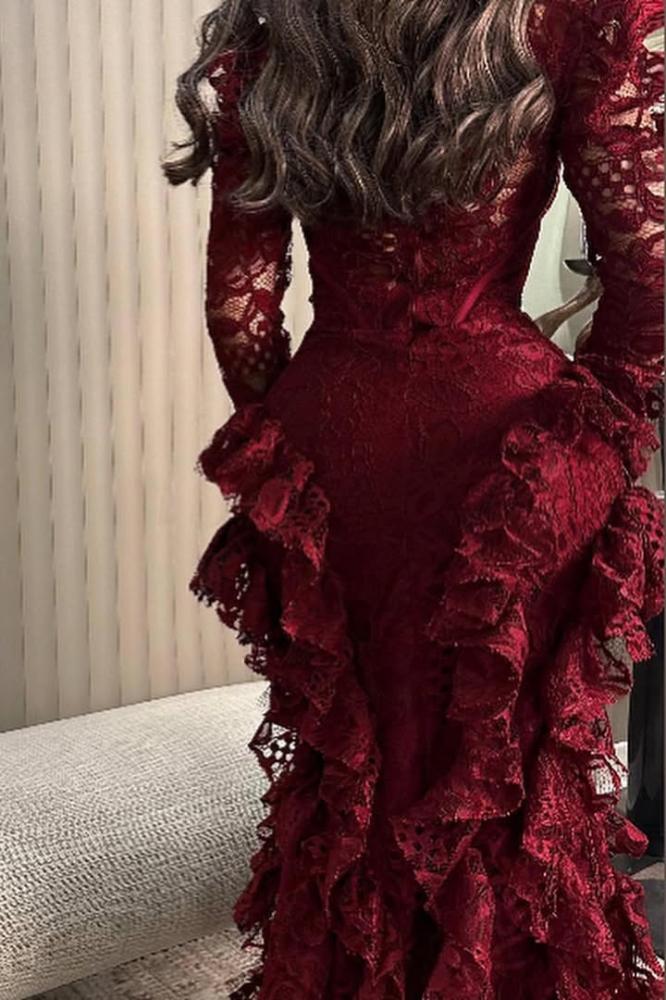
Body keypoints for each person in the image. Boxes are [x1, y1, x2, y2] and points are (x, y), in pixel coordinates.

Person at [162, 0, 665, 996]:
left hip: (335, 442)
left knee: (356, 760)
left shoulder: (278, 29)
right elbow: (648, 276)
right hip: (514, 459)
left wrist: (295, 442)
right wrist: (594, 433)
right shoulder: (568, 20)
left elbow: (240, 311)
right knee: (505, 757)